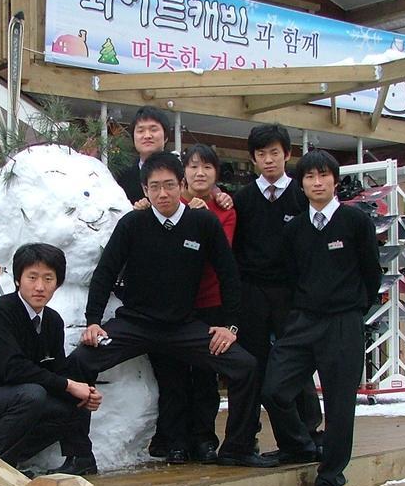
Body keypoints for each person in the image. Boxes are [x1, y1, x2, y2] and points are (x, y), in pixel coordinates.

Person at [74, 151, 292, 468]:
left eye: (169, 185)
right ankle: (79, 454)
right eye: (154, 187)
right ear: (145, 190)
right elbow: (105, 273)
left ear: (181, 185)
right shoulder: (133, 224)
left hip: (182, 327)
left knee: (245, 366)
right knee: (80, 361)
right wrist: (93, 322)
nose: (162, 194)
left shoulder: (202, 222)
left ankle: (237, 448)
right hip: (135, 324)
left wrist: (229, 326)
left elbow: (229, 274)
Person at [261, 150, 382, 486]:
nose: (317, 182)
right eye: (310, 177)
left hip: (343, 322)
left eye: (323, 176)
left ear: (334, 180)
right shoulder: (295, 228)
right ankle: (301, 446)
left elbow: (371, 272)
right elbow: (290, 274)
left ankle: (330, 478)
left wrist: (356, 309)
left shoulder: (355, 221)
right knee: (274, 389)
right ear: (301, 184)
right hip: (303, 321)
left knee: (340, 405)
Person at [0, 243, 102, 475]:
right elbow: (13, 369)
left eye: (48, 279)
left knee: (74, 393)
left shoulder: (52, 321)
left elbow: (56, 372)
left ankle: (80, 458)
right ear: (18, 279)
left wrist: (84, 392)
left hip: (11, 403)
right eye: (32, 277)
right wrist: (68, 385)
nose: (40, 287)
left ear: (57, 283)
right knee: (34, 394)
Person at [232, 123, 323, 455]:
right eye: (261, 154)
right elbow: (235, 249)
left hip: (291, 295)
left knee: (295, 362)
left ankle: (309, 430)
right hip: (252, 293)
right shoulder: (241, 199)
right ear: (253, 159)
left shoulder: (302, 196)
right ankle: (248, 435)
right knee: (254, 364)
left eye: (274, 152)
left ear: (287, 154)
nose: (268, 160)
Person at [152, 144, 236, 463]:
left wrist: (203, 214)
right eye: (193, 166)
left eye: (207, 167)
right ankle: (175, 440)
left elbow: (219, 252)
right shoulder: (170, 203)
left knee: (204, 375)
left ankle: (204, 438)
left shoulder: (224, 209)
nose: (199, 173)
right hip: (173, 305)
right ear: (182, 173)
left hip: (210, 302)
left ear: (216, 173)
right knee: (172, 375)